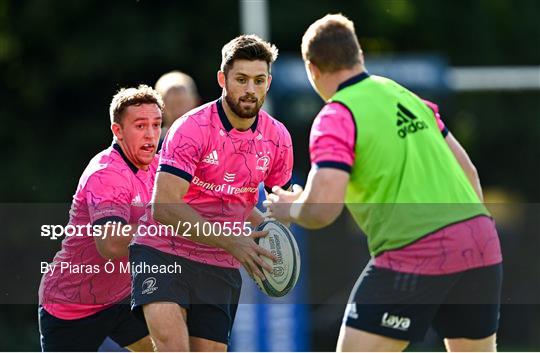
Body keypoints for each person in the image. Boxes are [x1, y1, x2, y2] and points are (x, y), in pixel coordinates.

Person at [265, 14, 502, 352]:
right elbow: (469, 173)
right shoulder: (405, 96)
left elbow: (323, 211)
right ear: (359, 55)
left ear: (312, 69)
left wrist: (291, 209)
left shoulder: (336, 116)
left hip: (416, 250)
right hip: (481, 242)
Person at [129, 34, 294, 351]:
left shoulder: (278, 138)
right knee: (173, 346)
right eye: (241, 79)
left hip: (219, 262)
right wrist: (233, 240)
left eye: (258, 80)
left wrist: (289, 211)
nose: (250, 89)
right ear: (222, 79)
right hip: (163, 250)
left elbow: (252, 202)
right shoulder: (190, 128)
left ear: (269, 83)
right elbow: (163, 206)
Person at [38, 85, 163, 351]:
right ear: (117, 131)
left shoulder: (157, 165)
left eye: (156, 124)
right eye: (140, 126)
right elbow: (111, 245)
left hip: (122, 298)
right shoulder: (106, 174)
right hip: (72, 307)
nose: (151, 135)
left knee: (172, 347)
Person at [154, 70, 200, 148]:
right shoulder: (151, 146)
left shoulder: (211, 141)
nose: (177, 111)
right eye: (171, 105)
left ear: (195, 102)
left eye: (181, 103)